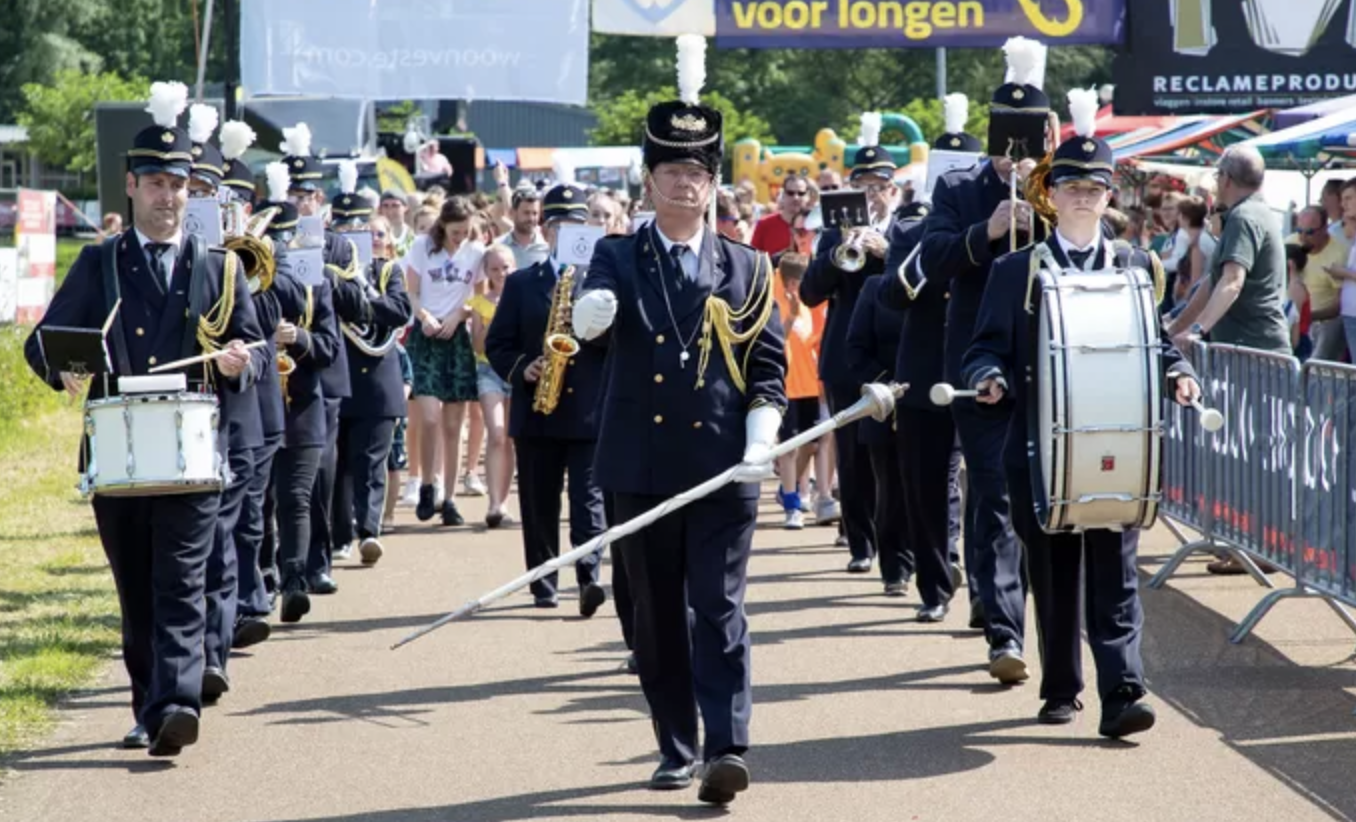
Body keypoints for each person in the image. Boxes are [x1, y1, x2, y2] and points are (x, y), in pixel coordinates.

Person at [570, 34, 785, 806]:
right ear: (649, 179)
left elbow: (768, 367)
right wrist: (593, 317)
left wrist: (763, 436)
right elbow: (587, 329)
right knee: (654, 613)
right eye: (672, 172)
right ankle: (676, 744)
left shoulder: (748, 266)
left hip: (724, 464)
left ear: (712, 182)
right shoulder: (617, 255)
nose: (686, 186)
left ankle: (727, 745)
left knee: (717, 605)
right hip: (639, 463)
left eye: (698, 173)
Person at [22, 81, 266, 756]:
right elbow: (42, 341)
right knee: (137, 589)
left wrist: (241, 360)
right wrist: (62, 367)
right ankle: (148, 704)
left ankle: (177, 705)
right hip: (119, 456)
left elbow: (253, 345)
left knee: (182, 584)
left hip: (191, 455)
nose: (167, 197)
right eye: (155, 183)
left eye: (178, 185)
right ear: (130, 187)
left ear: (192, 192)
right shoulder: (101, 262)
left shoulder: (218, 268)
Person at [963, 91, 1204, 737]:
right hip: (1040, 447)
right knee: (1054, 572)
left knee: (1116, 571)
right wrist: (986, 376)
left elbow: (1152, 340)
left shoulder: (1135, 265)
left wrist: (1177, 374)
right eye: (1069, 185)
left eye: (1093, 187)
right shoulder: (1018, 270)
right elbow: (983, 346)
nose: (1082, 197)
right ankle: (1061, 685)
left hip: (1117, 446)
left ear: (1108, 197)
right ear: (1051, 193)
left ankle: (1122, 691)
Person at [918, 36, 1054, 680]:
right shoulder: (957, 187)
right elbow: (934, 257)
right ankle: (1004, 632)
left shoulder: (1065, 187)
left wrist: (1047, 203)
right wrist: (989, 230)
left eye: (1027, 132)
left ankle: (1022, 609)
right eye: (1006, 134)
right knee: (994, 490)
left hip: (1052, 364)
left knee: (1043, 496)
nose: (1013, 149)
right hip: (977, 361)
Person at [485, 184, 609, 613]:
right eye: (563, 223)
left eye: (580, 223)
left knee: (588, 503)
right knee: (539, 502)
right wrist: (525, 368)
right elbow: (497, 345)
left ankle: (589, 578)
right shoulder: (522, 283)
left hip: (589, 410)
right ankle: (543, 582)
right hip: (538, 410)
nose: (572, 231)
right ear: (548, 228)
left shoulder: (603, 286)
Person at [800, 112, 899, 575]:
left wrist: (886, 252)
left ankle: (898, 541)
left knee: (894, 454)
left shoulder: (906, 229)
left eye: (881, 185)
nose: (874, 193)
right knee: (854, 455)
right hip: (845, 357)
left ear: (893, 190)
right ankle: (862, 543)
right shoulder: (831, 232)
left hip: (894, 354)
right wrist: (839, 251)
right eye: (865, 184)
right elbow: (810, 293)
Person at [330, 181, 413, 568]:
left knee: (371, 463)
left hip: (378, 384)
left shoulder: (387, 271)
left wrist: (361, 302)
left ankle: (369, 532)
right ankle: (339, 535)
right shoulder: (328, 273)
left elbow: (399, 310)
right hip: (337, 378)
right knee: (337, 464)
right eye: (344, 228)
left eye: (366, 231)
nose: (358, 237)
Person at [404, 196, 485, 526]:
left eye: (465, 231)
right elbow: (410, 291)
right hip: (425, 335)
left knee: (454, 425)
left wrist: (458, 315)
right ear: (443, 226)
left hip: (456, 338)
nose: (460, 237)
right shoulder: (423, 246)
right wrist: (424, 316)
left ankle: (449, 498)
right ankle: (426, 483)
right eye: (455, 231)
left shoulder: (476, 251)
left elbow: (478, 297)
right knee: (429, 417)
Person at [770, 252, 824, 530]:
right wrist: (790, 315)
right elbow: (777, 342)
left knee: (811, 445)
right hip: (787, 386)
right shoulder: (776, 302)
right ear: (792, 283)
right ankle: (792, 504)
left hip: (810, 386)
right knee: (788, 449)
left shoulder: (808, 304)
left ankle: (786, 490)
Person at [469, 243, 517, 527]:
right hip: (488, 369)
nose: (501, 273)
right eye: (495, 269)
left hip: (515, 369)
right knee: (496, 433)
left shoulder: (523, 298)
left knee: (510, 437)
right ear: (486, 271)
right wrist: (495, 316)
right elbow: (477, 344)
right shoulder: (480, 303)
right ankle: (493, 503)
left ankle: (504, 503)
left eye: (506, 267)